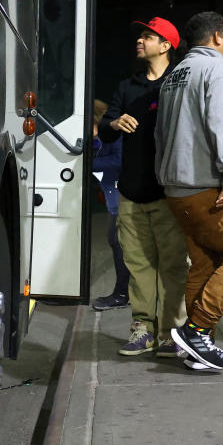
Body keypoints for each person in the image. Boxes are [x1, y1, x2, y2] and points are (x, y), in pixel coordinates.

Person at [156, 11, 223, 371]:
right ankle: (196, 330)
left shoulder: (174, 75)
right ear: (218, 36)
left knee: (204, 263)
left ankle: (199, 351)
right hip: (207, 184)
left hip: (176, 187)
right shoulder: (213, 67)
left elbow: (161, 134)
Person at [97, 17, 188, 358]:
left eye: (149, 36)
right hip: (130, 191)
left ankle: (170, 333)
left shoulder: (178, 84)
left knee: (172, 265)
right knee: (138, 265)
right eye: (141, 35)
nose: (141, 39)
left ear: (166, 46)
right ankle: (142, 330)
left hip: (168, 191)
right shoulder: (127, 86)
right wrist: (114, 122)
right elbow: (105, 130)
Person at [91, 99, 129, 311]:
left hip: (123, 196)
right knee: (115, 241)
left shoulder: (114, 134)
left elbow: (118, 161)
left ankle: (122, 293)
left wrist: (88, 161)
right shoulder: (100, 138)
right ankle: (123, 291)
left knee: (117, 241)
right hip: (114, 198)